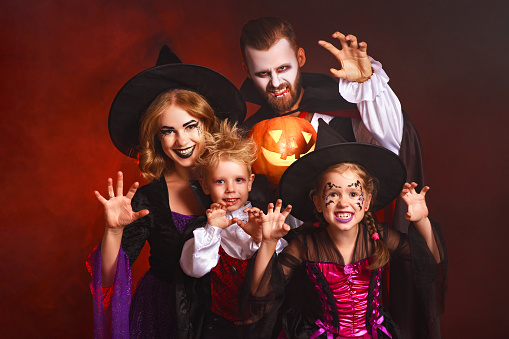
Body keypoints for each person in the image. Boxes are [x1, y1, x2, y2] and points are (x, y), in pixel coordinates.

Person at [86, 46, 246, 339]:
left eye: (190, 126)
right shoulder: (148, 199)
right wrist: (113, 230)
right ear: (156, 138)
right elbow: (108, 278)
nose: (181, 140)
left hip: (226, 318)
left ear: (207, 125)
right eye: (168, 130)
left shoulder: (236, 182)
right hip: (164, 315)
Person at [244, 140, 447, 339]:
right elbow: (262, 292)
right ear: (318, 203)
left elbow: (431, 259)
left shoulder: (378, 236)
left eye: (353, 194)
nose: (343, 203)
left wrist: (422, 220)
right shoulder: (305, 245)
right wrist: (268, 242)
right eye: (333, 193)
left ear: (367, 201)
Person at [239, 17, 424, 233]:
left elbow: (395, 143)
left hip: (355, 250)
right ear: (247, 71)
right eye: (263, 73)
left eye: (283, 68)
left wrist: (366, 83)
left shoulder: (347, 110)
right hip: (291, 253)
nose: (276, 82)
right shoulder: (248, 135)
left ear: (300, 57)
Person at [179, 120, 287, 338]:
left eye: (239, 180)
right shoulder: (202, 230)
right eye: (220, 181)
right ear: (205, 185)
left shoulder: (263, 220)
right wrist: (213, 229)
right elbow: (195, 270)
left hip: (262, 329)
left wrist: (262, 240)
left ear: (250, 182)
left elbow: (280, 279)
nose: (230, 189)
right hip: (217, 329)